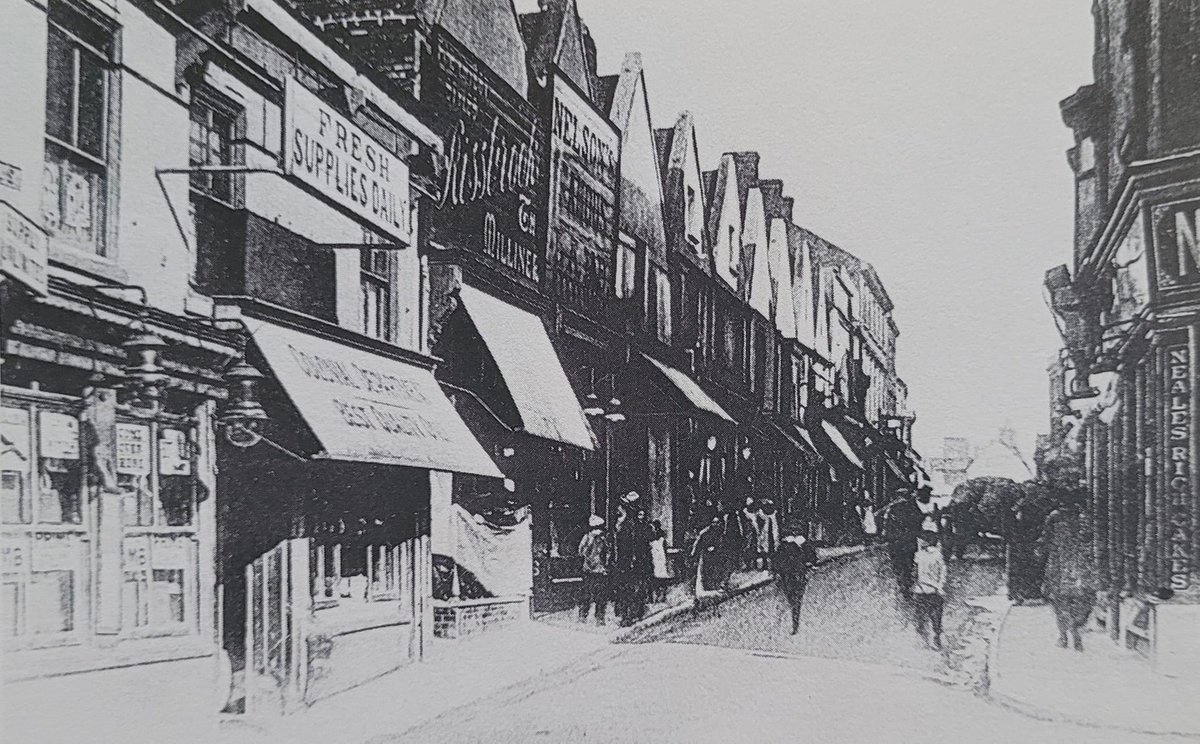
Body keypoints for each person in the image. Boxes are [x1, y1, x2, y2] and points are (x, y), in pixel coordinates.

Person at [1039, 491, 1097, 651]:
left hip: (1058, 564)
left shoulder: (1053, 517)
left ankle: (1064, 636)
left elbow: (1045, 540)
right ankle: (1076, 629)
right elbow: (1090, 538)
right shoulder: (1084, 518)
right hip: (1080, 564)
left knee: (1059, 602)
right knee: (1083, 599)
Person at [774, 528, 819, 634]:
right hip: (797, 574)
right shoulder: (803, 544)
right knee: (796, 599)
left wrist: (777, 572)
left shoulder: (784, 545)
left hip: (788, 575)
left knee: (791, 598)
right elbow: (812, 558)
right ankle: (795, 622)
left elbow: (776, 561)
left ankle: (794, 622)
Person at [882, 489, 925, 598]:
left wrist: (888, 537)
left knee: (898, 564)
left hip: (896, 542)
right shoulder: (912, 507)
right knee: (908, 564)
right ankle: (906, 583)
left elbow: (886, 525)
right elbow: (920, 520)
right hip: (908, 541)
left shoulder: (891, 508)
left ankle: (902, 583)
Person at [911, 530, 947, 649]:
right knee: (936, 617)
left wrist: (914, 584)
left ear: (926, 541)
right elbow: (943, 572)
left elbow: (915, 573)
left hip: (921, 590)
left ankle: (922, 641)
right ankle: (936, 638)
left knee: (920, 616)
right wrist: (940, 586)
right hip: (934, 591)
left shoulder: (918, 555)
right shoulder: (938, 555)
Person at [577, 515, 610, 625]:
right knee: (586, 594)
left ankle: (600, 618)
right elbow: (581, 552)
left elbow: (607, 553)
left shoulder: (603, 539)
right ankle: (583, 616)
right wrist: (590, 541)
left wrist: (606, 567)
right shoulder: (587, 537)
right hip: (589, 570)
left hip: (600, 570)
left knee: (601, 596)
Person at [755, 500, 780, 570]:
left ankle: (773, 565)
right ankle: (764, 564)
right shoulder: (761, 514)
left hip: (773, 532)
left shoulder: (775, 514)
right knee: (764, 549)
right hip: (765, 533)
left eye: (770, 506)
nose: (768, 507)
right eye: (767, 506)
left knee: (773, 548)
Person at [650, 520, 670, 602]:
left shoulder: (660, 538)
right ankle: (659, 595)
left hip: (659, 558)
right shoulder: (653, 537)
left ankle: (662, 595)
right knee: (658, 577)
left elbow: (664, 548)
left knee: (660, 576)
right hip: (656, 557)